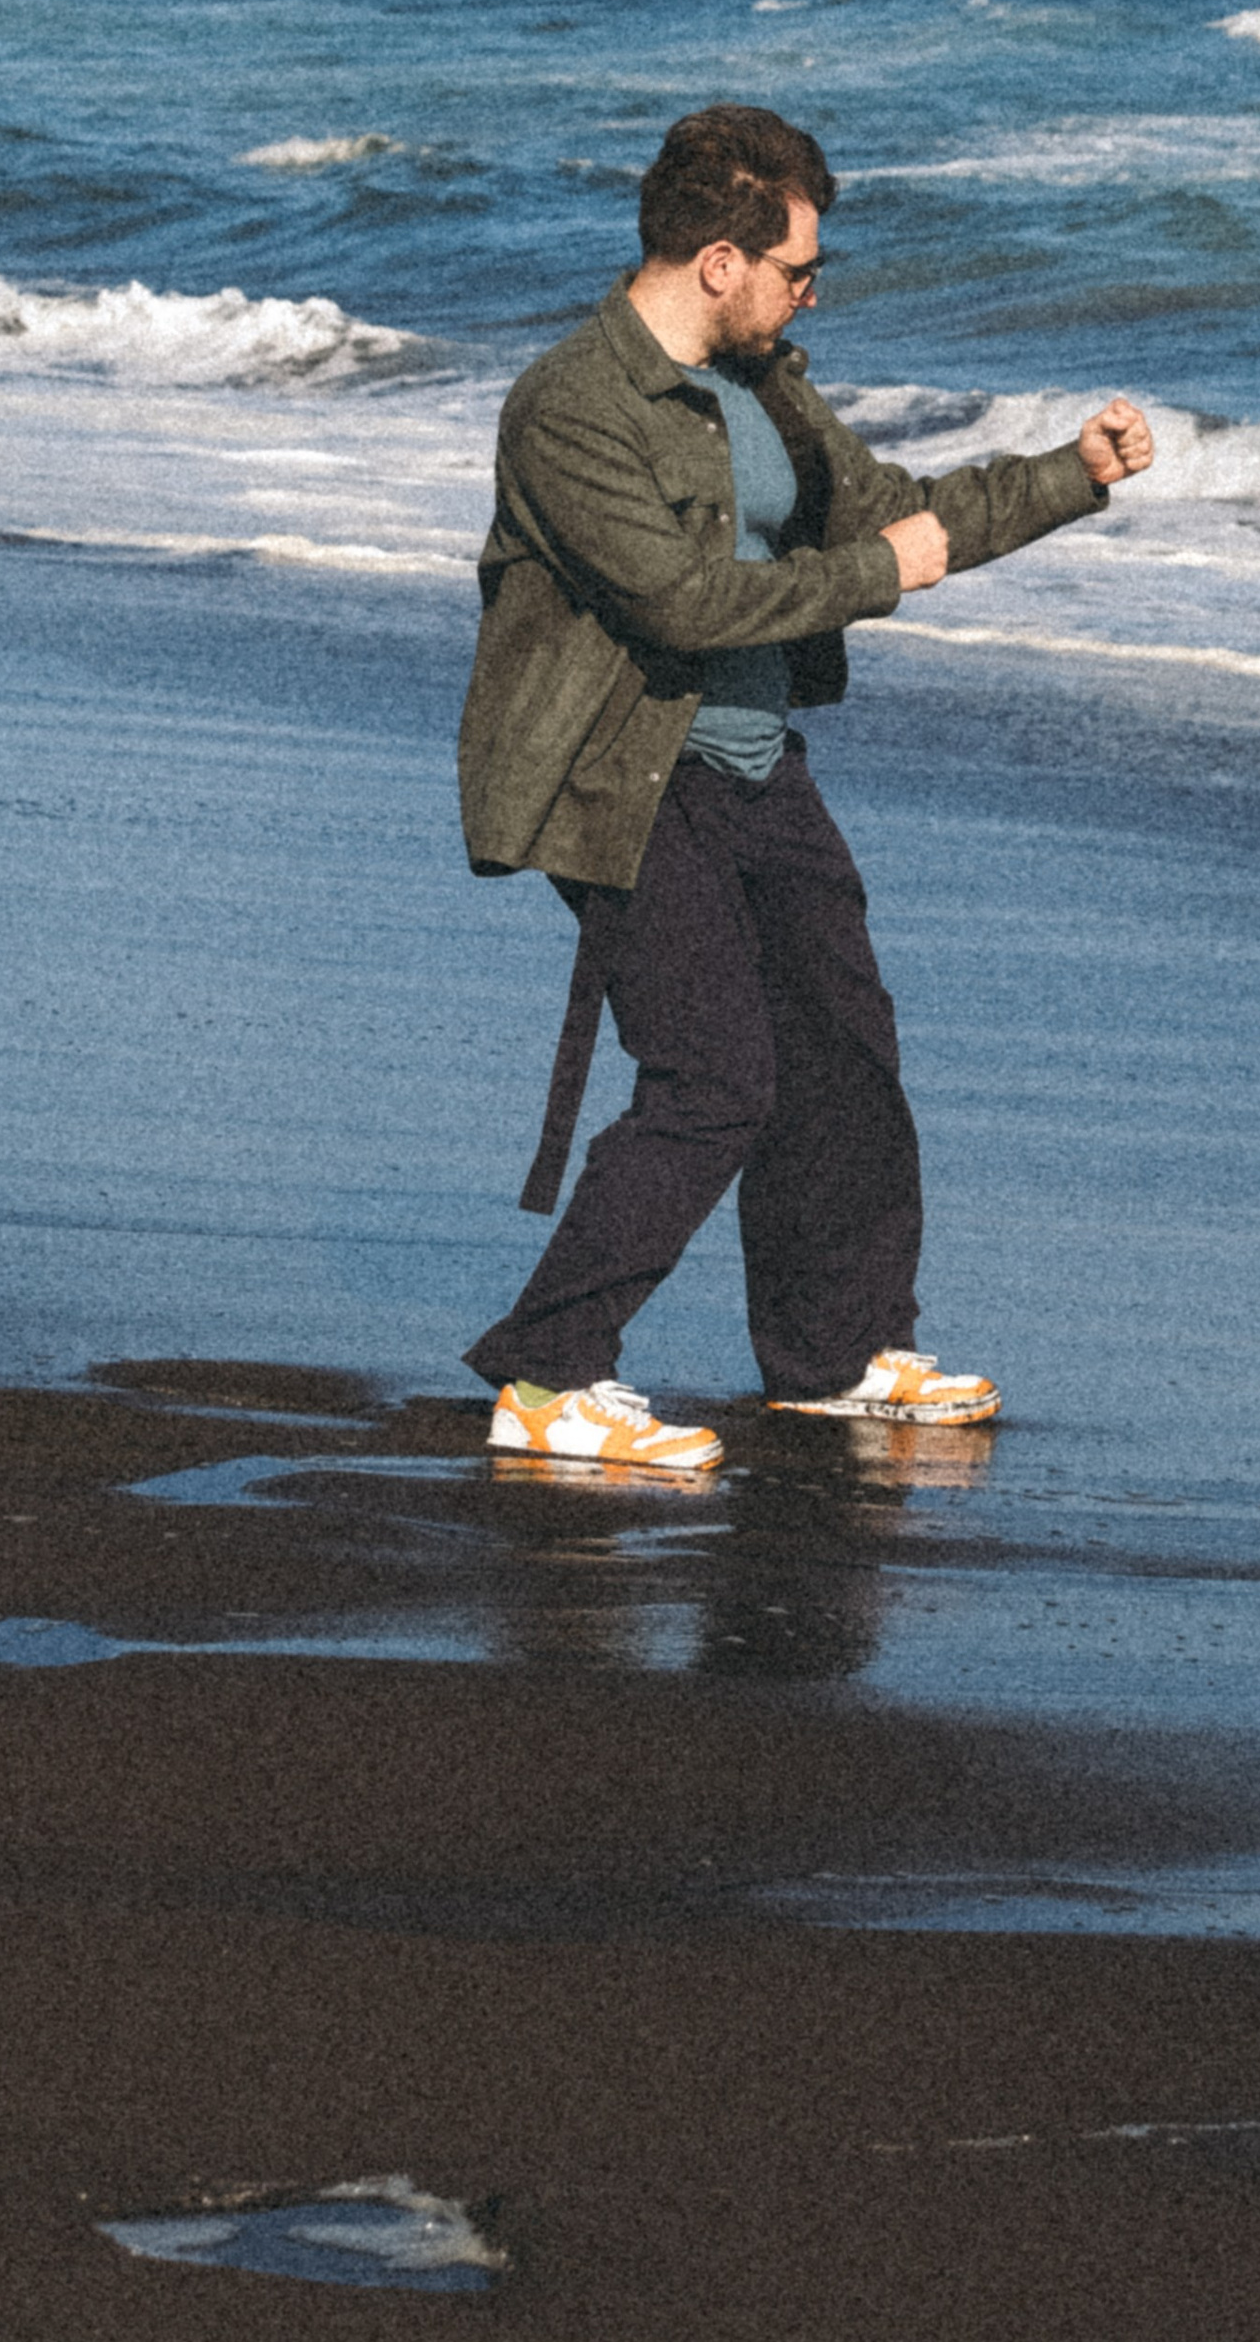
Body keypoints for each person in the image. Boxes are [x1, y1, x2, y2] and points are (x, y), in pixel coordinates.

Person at [456, 102, 1155, 1474]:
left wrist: (1069, 479)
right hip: (621, 781)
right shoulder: (572, 406)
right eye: (794, 268)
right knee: (715, 1076)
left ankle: (832, 1358)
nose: (809, 292)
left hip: (761, 768)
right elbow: (685, 600)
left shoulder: (767, 389)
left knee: (841, 1058)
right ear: (719, 259)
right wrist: (882, 577)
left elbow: (895, 509)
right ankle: (548, 1376)